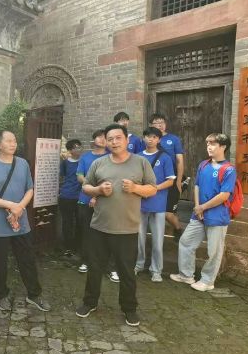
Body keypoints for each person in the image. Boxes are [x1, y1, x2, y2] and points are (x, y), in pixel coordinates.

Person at [76, 123, 157, 327]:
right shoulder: (99, 163)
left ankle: (129, 308)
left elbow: (152, 189)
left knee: (126, 272)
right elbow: (86, 186)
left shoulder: (140, 162)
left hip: (127, 228)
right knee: (95, 268)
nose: (114, 142)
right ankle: (89, 302)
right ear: (106, 142)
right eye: (110, 139)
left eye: (118, 138)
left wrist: (136, 187)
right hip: (99, 227)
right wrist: (98, 190)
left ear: (127, 140)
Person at [0, 130, 50, 312]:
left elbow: (29, 189)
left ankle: (34, 294)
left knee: (27, 259)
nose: (13, 144)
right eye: (8, 141)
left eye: (15, 141)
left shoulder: (22, 164)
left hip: (21, 222)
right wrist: (11, 205)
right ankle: (1, 295)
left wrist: (20, 208)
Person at [171, 133, 236, 292]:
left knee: (214, 251)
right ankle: (186, 275)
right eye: (208, 143)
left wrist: (203, 207)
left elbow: (224, 195)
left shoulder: (229, 169)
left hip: (217, 216)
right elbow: (197, 186)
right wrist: (197, 206)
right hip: (198, 214)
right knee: (186, 242)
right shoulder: (203, 165)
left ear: (223, 147)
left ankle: (207, 281)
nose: (209, 147)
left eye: (213, 144)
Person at [134, 128, 176, 282]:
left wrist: (154, 189)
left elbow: (170, 181)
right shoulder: (137, 157)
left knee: (158, 241)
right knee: (139, 238)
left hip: (158, 204)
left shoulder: (165, 158)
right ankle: (138, 265)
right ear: (143, 138)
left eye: (154, 137)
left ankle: (156, 270)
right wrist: (140, 190)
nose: (150, 139)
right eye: (147, 136)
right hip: (139, 203)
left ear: (159, 140)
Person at [75, 130, 108, 273]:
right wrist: (94, 189)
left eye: (105, 137)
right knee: (86, 232)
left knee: (105, 233)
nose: (102, 139)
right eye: (99, 137)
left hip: (105, 202)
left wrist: (97, 194)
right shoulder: (85, 157)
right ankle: (85, 261)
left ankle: (105, 264)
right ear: (94, 139)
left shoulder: (111, 157)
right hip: (85, 200)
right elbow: (79, 176)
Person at [149, 113, 185, 237]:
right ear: (151, 125)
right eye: (157, 123)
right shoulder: (148, 140)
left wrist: (178, 181)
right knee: (157, 210)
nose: (160, 125)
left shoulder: (174, 139)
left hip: (171, 179)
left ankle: (178, 229)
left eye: (162, 122)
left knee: (167, 213)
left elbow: (179, 161)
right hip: (155, 180)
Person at [58, 139, 82, 258]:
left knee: (80, 222)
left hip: (80, 197)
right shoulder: (65, 163)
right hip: (66, 196)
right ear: (70, 150)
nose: (78, 149)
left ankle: (78, 247)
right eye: (75, 147)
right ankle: (68, 248)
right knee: (67, 223)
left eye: (79, 147)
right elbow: (62, 176)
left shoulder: (83, 162)